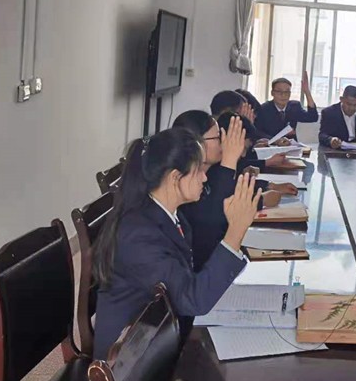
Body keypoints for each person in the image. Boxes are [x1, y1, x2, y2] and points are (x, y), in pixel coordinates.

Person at [92, 125, 261, 359]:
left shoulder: (169, 213)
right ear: (174, 178)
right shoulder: (138, 236)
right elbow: (192, 299)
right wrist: (235, 232)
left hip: (158, 331)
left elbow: (187, 278)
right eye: (198, 170)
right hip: (127, 357)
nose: (205, 177)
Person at [172, 110, 299, 270]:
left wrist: (264, 187)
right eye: (218, 137)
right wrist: (229, 161)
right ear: (196, 143)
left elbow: (228, 191)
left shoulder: (210, 171)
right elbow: (213, 220)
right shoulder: (183, 182)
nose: (224, 141)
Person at [256, 72, 319, 140]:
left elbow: (313, 117)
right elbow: (257, 132)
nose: (283, 95)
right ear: (272, 93)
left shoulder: (294, 106)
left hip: (290, 144)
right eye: (279, 91)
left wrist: (307, 92)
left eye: (287, 92)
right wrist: (276, 140)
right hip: (270, 144)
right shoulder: (264, 109)